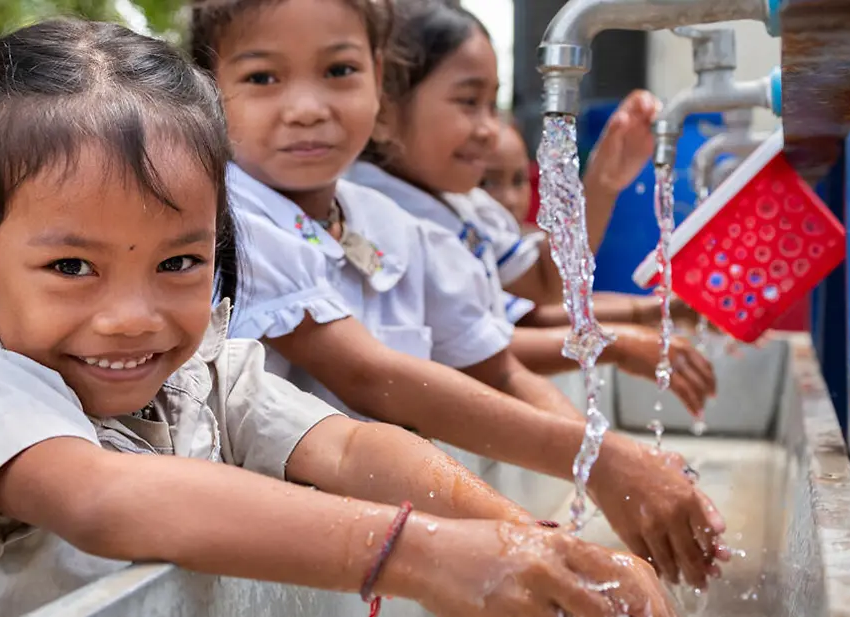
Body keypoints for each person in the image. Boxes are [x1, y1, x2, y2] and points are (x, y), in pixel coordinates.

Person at [0, 18, 673, 617]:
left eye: (178, 262)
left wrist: (527, 542)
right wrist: (423, 556)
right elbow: (109, 497)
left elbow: (351, 443)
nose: (132, 318)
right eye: (72, 267)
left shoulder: (207, 368)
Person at [191, 0, 724, 589]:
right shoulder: (227, 215)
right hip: (271, 553)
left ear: (378, 83)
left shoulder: (391, 225)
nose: (308, 108)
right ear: (209, 93)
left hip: (381, 531)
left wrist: (606, 469)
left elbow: (498, 369)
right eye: (262, 77)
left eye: (339, 71)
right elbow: (369, 376)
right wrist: (599, 462)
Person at [346, 1, 716, 414]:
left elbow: (543, 284)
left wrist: (603, 182)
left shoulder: (462, 206)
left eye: (492, 103)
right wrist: (622, 343)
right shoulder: (371, 216)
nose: (489, 129)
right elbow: (479, 350)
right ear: (384, 105)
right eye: (469, 101)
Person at [481, 120, 702, 330]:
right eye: (487, 182)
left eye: (519, 180)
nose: (510, 199)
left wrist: (664, 308)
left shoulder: (524, 239)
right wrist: (659, 311)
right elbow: (534, 320)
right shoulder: (466, 240)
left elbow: (566, 300)